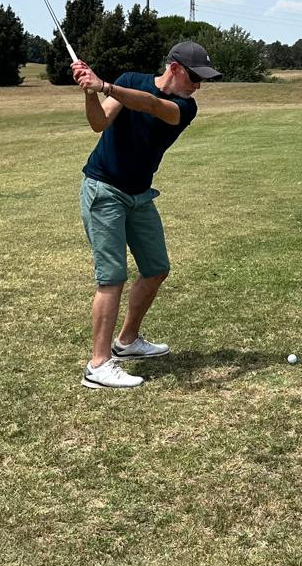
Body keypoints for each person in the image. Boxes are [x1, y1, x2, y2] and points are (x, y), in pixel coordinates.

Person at [71, 42, 221, 389]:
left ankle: (126, 341)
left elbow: (151, 105)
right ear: (175, 67)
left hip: (139, 194)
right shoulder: (130, 80)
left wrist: (104, 85)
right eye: (195, 77)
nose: (198, 86)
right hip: (104, 189)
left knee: (156, 269)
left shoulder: (185, 107)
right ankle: (97, 365)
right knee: (111, 277)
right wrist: (89, 91)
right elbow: (98, 123)